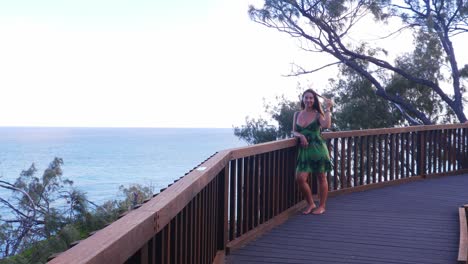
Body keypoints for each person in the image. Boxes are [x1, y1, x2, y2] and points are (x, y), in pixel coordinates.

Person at [292, 89, 333, 215]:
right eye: (306, 97)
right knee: (300, 178)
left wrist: (328, 108)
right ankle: (310, 203)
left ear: (314, 100)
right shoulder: (297, 114)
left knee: (321, 177)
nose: (309, 100)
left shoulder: (317, 114)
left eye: (311, 98)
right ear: (303, 99)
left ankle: (322, 206)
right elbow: (293, 131)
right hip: (304, 150)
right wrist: (300, 136)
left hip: (318, 149)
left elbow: (326, 125)